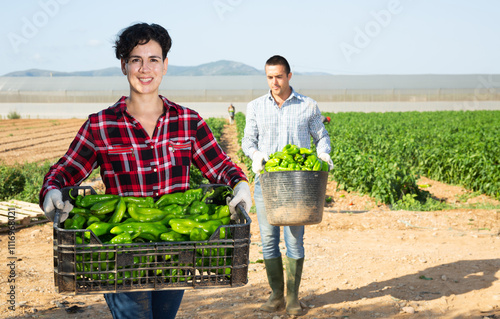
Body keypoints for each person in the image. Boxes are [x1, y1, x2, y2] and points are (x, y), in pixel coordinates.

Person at [39, 23, 252, 319]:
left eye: (153, 59)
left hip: (175, 249)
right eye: (136, 59)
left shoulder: (188, 121)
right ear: (124, 65)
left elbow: (218, 165)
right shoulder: (101, 125)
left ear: (165, 66)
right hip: (122, 251)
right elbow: (66, 169)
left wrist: (239, 183)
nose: (144, 68)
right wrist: (51, 189)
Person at [241, 55, 333, 316]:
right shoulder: (256, 106)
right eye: (270, 77)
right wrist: (256, 155)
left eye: (279, 76)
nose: (274, 82)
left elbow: (321, 135)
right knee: (268, 241)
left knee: (294, 241)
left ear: (289, 76)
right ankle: (276, 294)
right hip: (267, 183)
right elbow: (248, 141)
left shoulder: (308, 106)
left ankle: (293, 297)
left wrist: (324, 153)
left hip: (298, 185)